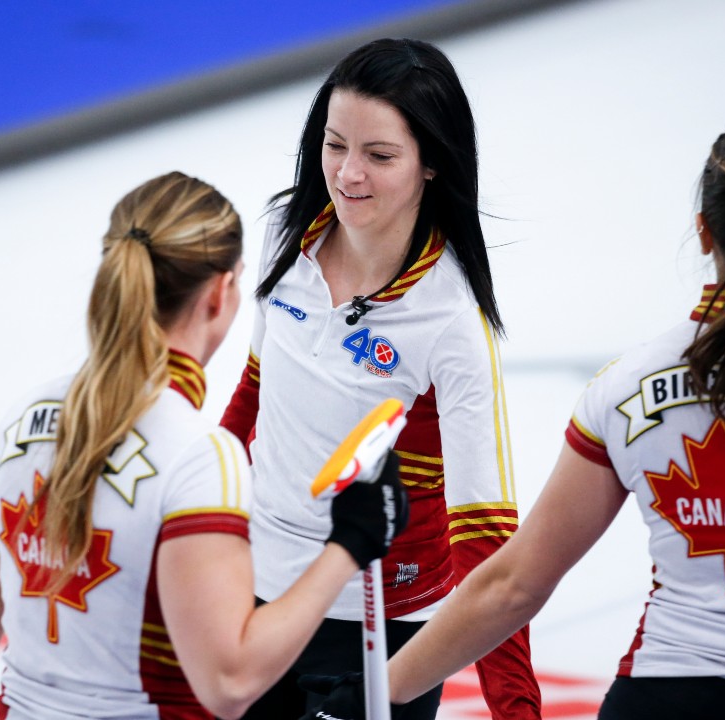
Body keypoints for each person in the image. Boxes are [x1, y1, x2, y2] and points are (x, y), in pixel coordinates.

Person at [305, 118, 725, 719]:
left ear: (703, 232)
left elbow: (514, 584)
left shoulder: (625, 384)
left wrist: (371, 698)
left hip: (650, 698)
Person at [0, 171, 408, 720]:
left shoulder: (22, 420)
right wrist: (351, 542)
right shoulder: (200, 458)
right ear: (219, 294)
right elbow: (230, 682)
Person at [220, 38, 541, 719]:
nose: (347, 175)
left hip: (378, 630)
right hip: (252, 593)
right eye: (335, 145)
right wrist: (194, 532)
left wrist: (517, 710)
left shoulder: (451, 320)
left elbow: (488, 540)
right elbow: (251, 402)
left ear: (432, 165)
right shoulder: (288, 230)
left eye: (380, 155)